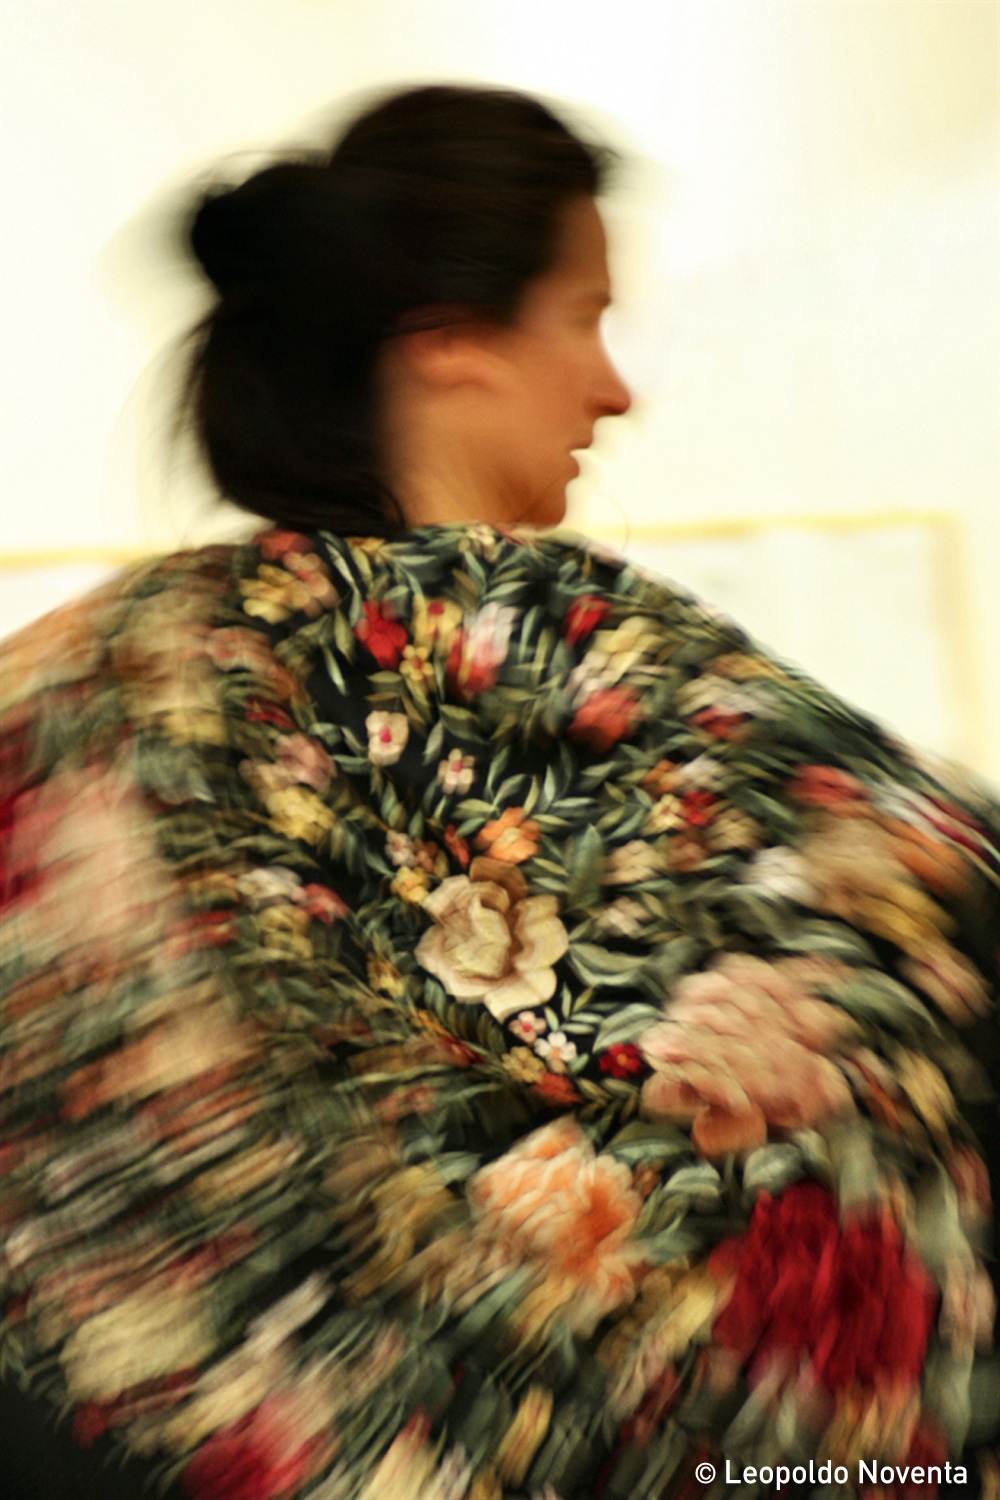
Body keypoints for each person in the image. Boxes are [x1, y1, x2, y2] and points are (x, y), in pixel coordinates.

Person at [1, 84, 997, 1500]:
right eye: (584, 318)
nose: (613, 387)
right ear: (448, 342)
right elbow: (935, 886)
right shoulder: (559, 643)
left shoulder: (93, 671)